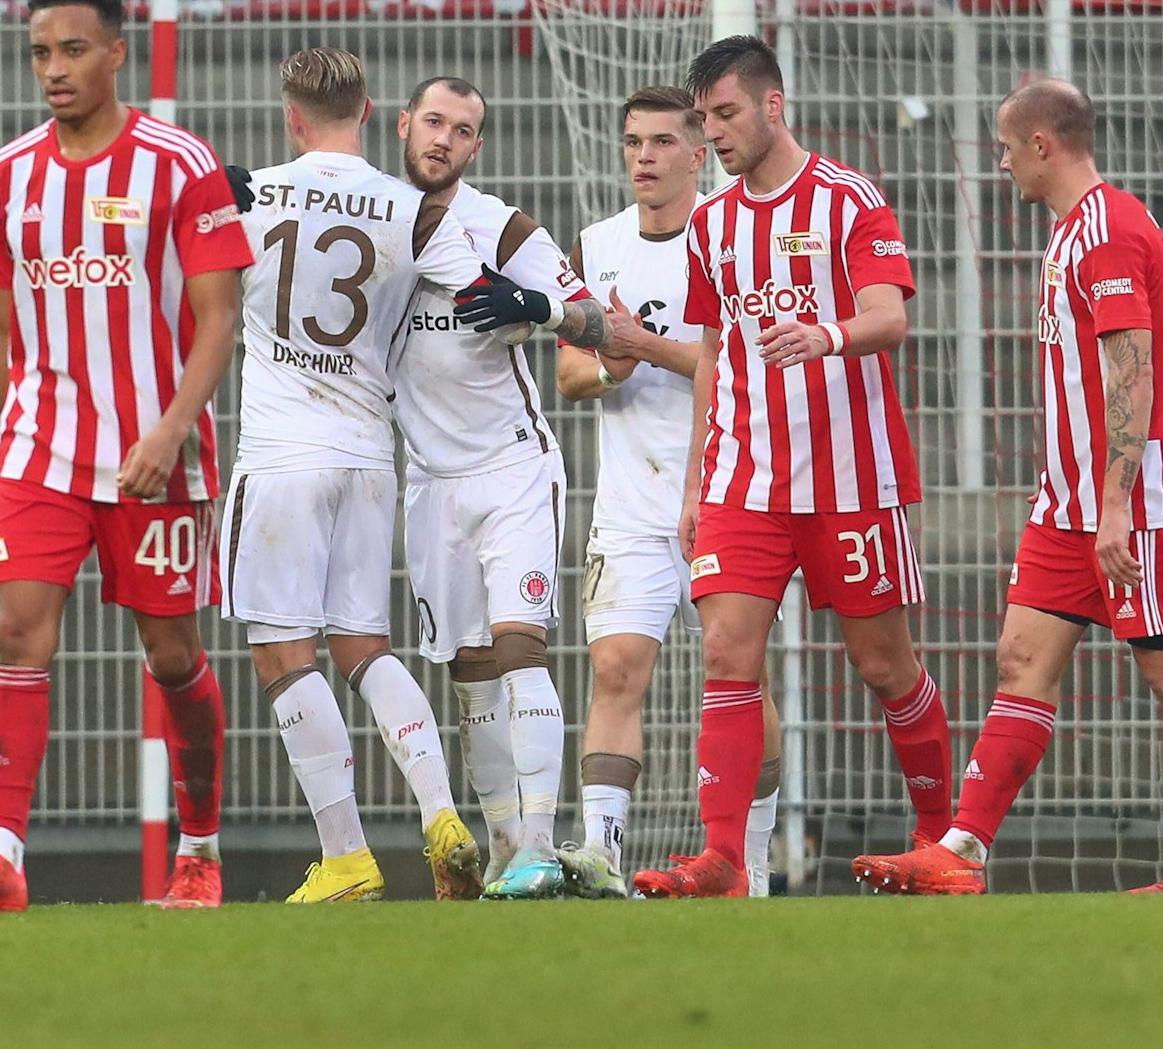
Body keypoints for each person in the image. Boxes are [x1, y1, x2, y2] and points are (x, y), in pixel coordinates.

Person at [853, 80, 1163, 895]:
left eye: (1004, 148)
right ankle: (962, 849)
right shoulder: (1073, 231)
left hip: (1130, 502)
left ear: (1042, 144)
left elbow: (1130, 373)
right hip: (1066, 501)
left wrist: (1114, 503)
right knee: (1020, 659)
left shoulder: (1106, 230)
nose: (1000, 164)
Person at [0, 0, 248, 914]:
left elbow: (220, 316)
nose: (53, 69)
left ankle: (199, 848)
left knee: (174, 653)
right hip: (39, 450)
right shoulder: (2, 178)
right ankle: (0, 854)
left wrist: (173, 428)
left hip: (155, 455)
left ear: (115, 52)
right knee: (17, 628)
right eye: (39, 52)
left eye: (71, 50)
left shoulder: (181, 166)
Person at [224, 48, 565, 904]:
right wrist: (527, 310)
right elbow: (478, 290)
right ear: (377, 112)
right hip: (375, 458)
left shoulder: (248, 193)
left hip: (281, 452)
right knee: (364, 646)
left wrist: (210, 191)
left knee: (281, 651)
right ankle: (441, 812)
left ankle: (346, 855)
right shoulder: (407, 209)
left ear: (292, 113)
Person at [630, 37, 952, 899]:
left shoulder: (849, 201)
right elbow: (712, 349)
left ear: (774, 105)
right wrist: (699, 482)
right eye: (704, 119)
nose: (715, 133)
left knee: (885, 665)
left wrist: (826, 333)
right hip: (745, 480)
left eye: (726, 114)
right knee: (729, 653)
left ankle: (938, 839)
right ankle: (725, 859)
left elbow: (889, 316)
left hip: (850, 481)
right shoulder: (711, 221)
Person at [387, 75, 647, 899]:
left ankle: (540, 839)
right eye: (433, 122)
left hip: (511, 470)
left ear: (477, 147)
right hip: (429, 480)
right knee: (467, 671)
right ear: (404, 125)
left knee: (518, 648)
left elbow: (607, 330)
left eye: (463, 130)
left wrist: (535, 304)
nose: (444, 139)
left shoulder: (503, 228)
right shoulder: (373, 222)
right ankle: (501, 846)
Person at [553, 88, 783, 899]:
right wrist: (614, 357)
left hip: (729, 492)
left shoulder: (732, 234)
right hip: (629, 503)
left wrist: (642, 344)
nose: (643, 157)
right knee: (615, 669)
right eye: (631, 142)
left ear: (697, 153)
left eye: (661, 141)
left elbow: (746, 362)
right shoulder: (598, 243)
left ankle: (748, 860)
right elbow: (573, 372)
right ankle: (602, 857)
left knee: (738, 677)